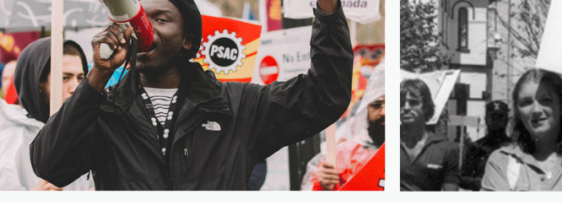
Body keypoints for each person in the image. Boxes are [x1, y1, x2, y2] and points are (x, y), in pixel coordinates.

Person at [29, 0, 352, 189]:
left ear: (187, 40)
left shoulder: (238, 106)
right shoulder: (105, 110)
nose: (144, 28)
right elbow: (50, 165)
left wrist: (327, 10)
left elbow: (325, 95)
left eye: (160, 19)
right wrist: (97, 75)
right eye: (140, 19)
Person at [481, 69, 562, 191]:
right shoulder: (501, 163)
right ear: (518, 112)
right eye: (526, 102)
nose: (536, 110)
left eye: (546, 100)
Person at [0, 37, 92, 190]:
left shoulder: (88, 132)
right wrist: (36, 199)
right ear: (38, 84)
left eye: (80, 78)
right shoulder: (11, 139)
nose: (75, 88)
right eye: (65, 78)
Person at [306, 61, 383, 191]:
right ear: (366, 108)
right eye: (376, 105)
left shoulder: (423, 153)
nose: (383, 112)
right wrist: (324, 186)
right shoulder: (343, 154)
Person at [400, 77, 459, 191]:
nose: (406, 108)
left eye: (413, 102)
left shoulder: (446, 148)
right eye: (401, 103)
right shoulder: (384, 142)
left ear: (426, 106)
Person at [460, 100, 511, 190]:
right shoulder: (475, 148)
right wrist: (482, 183)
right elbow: (462, 178)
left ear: (506, 120)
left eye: (499, 117)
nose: (496, 121)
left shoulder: (515, 148)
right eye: (492, 117)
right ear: (486, 119)